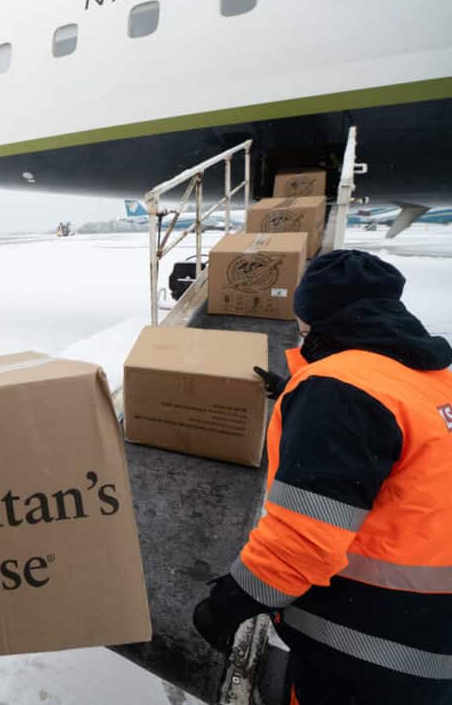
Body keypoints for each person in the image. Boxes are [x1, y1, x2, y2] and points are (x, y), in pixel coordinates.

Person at [193, 250, 452, 705]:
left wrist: (228, 604)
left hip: (370, 652)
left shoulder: (339, 391)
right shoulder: (429, 379)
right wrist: (299, 393)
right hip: (430, 641)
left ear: (317, 315)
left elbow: (304, 538)